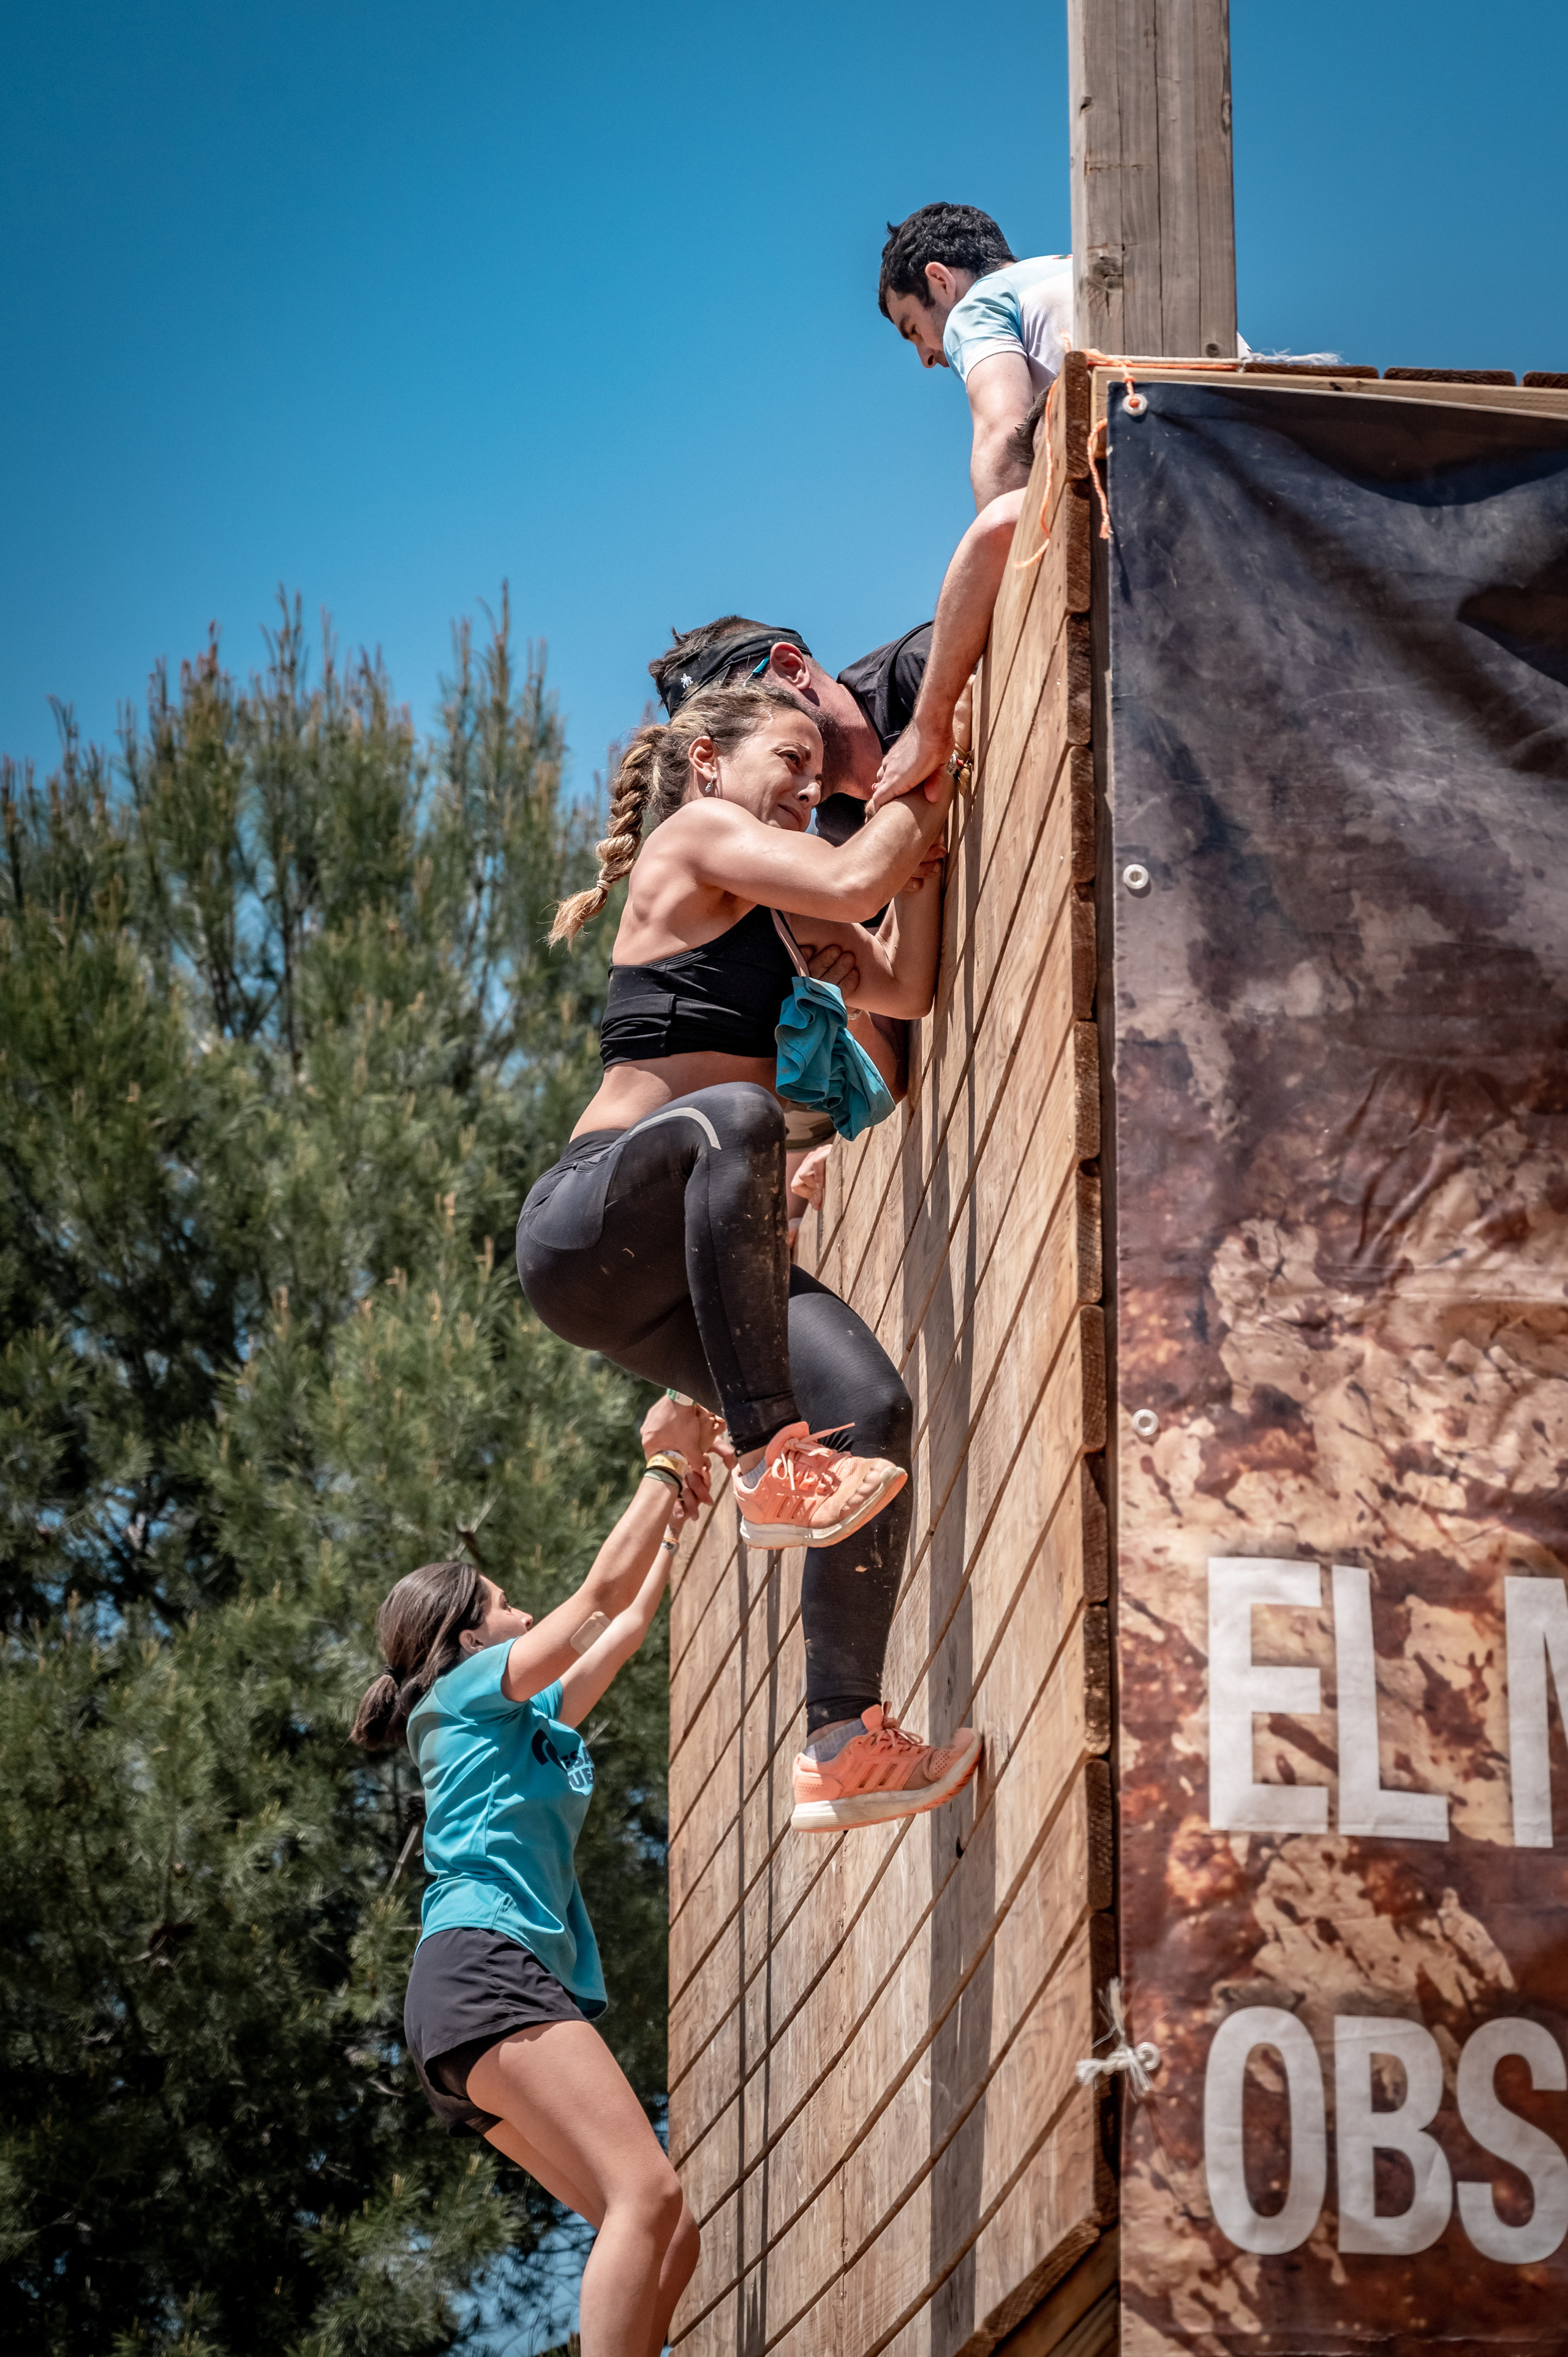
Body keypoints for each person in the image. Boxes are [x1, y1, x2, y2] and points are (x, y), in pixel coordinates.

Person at [518, 681, 982, 1833]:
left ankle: (841, 1737)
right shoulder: (696, 840)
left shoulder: (783, 915)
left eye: (822, 773)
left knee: (870, 1408)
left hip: (678, 1283)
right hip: (589, 1227)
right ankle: (773, 1453)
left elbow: (905, 981)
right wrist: (921, 770)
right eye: (791, 758)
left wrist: (926, 852)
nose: (812, 785)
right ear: (709, 764)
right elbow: (855, 877)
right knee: (740, 1117)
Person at [350, 1394, 716, 2357]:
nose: (521, 1615)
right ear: (470, 1638)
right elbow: (595, 1596)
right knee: (649, 2195)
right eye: (506, 1605)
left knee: (667, 2232)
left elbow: (624, 1623)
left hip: (467, 1999)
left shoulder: (528, 1724)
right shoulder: (462, 1692)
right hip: (483, 1967)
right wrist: (664, 1466)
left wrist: (675, 1527)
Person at [878, 202, 1073, 510]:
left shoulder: (979, 304)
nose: (926, 358)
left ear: (941, 281)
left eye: (914, 330)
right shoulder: (1073, 266)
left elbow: (1003, 439)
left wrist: (998, 534)